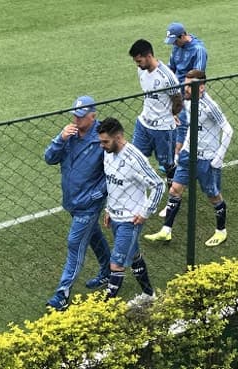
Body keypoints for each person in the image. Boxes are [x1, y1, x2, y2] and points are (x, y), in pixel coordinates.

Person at [145, 70, 233, 247]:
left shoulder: (210, 106)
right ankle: (166, 231)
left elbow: (228, 129)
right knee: (175, 190)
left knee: (214, 197)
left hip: (207, 159)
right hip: (188, 155)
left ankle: (221, 231)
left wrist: (218, 158)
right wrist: (181, 151)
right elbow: (192, 128)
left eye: (188, 85)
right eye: (185, 84)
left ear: (200, 87)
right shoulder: (188, 102)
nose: (185, 88)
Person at [44, 96, 111, 311]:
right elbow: (49, 158)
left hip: (89, 203)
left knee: (75, 243)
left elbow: (112, 172)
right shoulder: (69, 134)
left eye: (81, 116)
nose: (77, 119)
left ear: (93, 116)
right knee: (93, 235)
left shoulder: (102, 138)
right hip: (72, 200)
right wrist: (60, 139)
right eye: (75, 115)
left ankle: (62, 294)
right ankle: (109, 271)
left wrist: (96, 196)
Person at [97, 117, 165, 302]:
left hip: (130, 221)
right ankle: (149, 294)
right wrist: (109, 209)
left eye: (105, 141)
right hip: (115, 217)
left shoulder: (135, 159)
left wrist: (145, 212)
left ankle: (105, 309)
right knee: (134, 255)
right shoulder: (108, 153)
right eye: (101, 142)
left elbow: (159, 185)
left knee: (116, 264)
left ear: (118, 137)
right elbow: (113, 184)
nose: (102, 146)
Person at [128, 39, 183, 186]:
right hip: (143, 124)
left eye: (139, 60)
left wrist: (171, 115)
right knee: (134, 158)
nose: (137, 64)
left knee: (167, 164)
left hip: (163, 129)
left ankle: (174, 192)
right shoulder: (141, 71)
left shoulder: (167, 77)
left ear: (148, 56)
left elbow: (178, 101)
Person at [164, 22, 208, 193]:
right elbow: (172, 69)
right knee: (175, 128)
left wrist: (184, 95)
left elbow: (198, 77)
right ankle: (177, 162)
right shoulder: (176, 48)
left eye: (175, 40)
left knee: (182, 130)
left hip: (189, 96)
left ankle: (179, 166)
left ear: (183, 36)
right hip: (177, 95)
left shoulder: (198, 50)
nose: (174, 44)